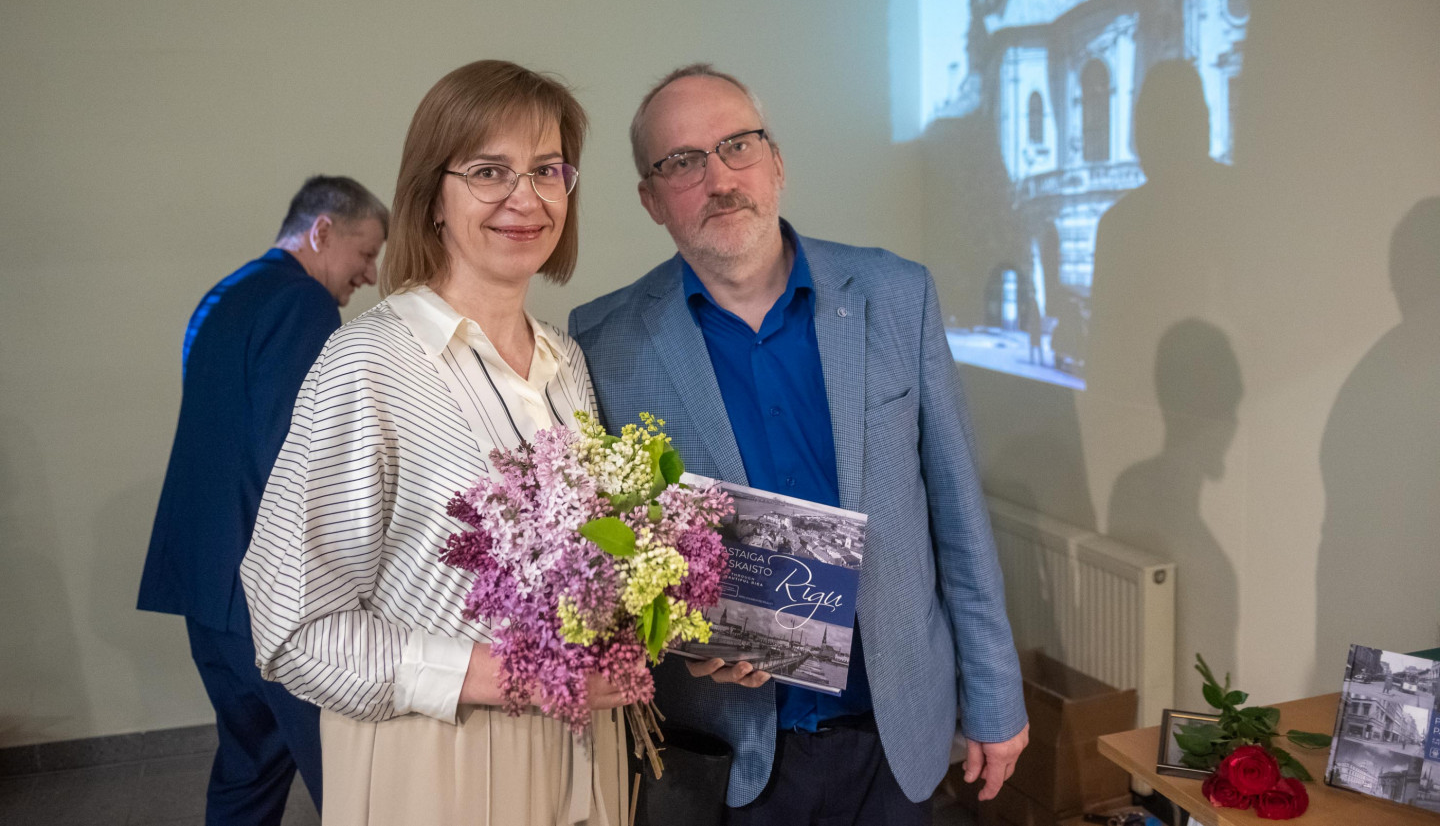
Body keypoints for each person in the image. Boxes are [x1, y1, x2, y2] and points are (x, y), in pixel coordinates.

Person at [570, 65, 1029, 824]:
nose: (720, 179)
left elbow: (958, 514)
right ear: (651, 199)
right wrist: (678, 637)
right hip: (726, 753)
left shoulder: (897, 295)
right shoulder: (602, 342)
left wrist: (995, 693)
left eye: (737, 146)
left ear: (776, 162)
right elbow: (606, 558)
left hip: (894, 731)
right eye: (682, 162)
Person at [239, 61, 629, 826]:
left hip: (582, 745)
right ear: (432, 197)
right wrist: (511, 675)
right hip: (441, 753)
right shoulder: (369, 363)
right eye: (489, 171)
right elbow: (294, 628)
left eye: (547, 169)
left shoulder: (565, 361)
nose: (526, 196)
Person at [137, 174, 388, 825]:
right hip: (267, 594)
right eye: (366, 252)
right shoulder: (303, 303)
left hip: (205, 586)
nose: (369, 273)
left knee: (249, 766)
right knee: (352, 779)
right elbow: (297, 452)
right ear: (322, 230)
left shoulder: (223, 295)